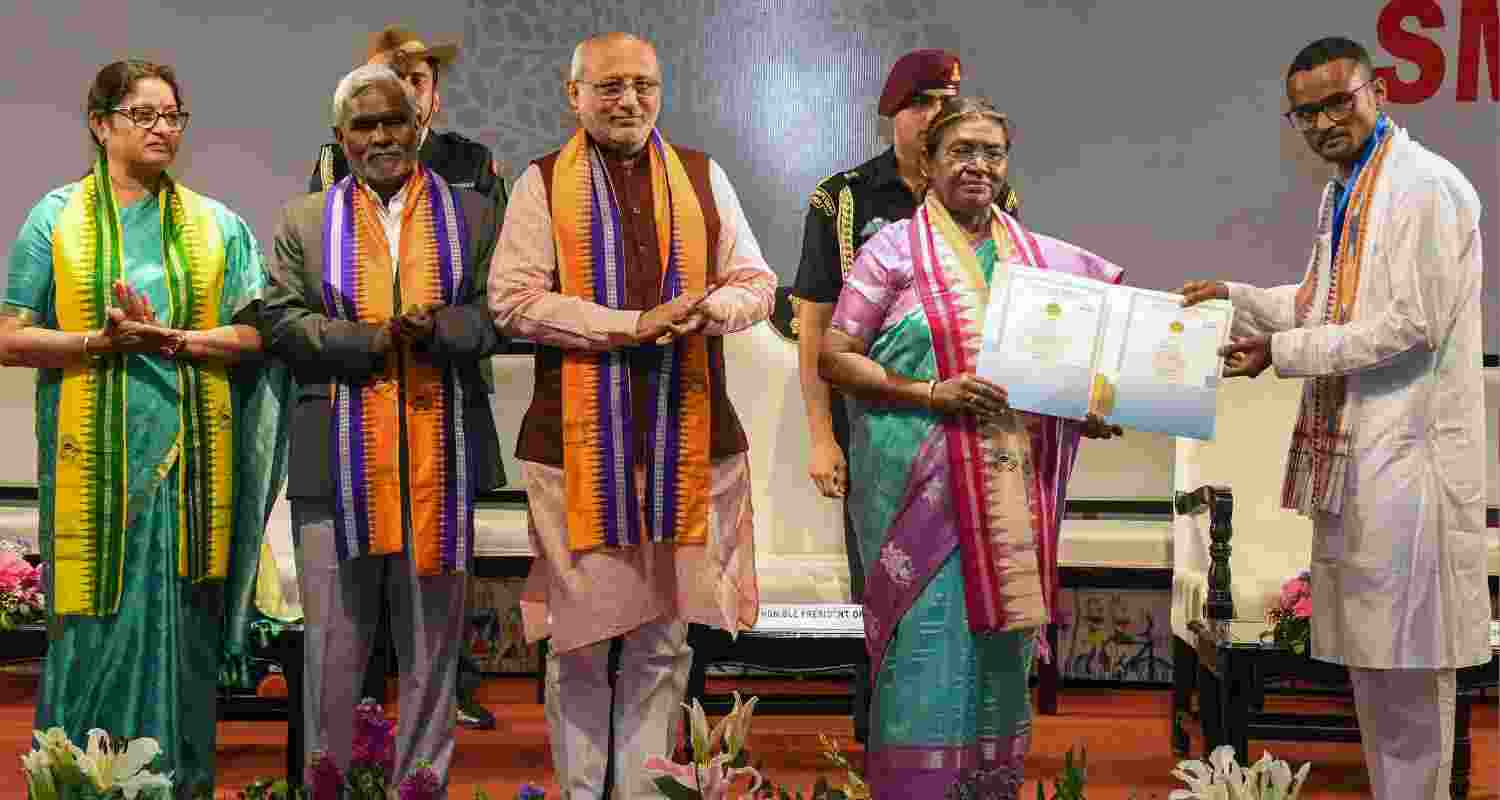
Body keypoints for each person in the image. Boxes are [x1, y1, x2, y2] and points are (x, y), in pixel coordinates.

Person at [1179, 36, 1488, 800]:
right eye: (1305, 112)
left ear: (1376, 90)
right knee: (1376, 669)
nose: (1322, 122)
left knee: (1412, 674)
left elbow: (1407, 323)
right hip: (1360, 459)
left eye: (1336, 102)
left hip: (1410, 460)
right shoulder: (1347, 191)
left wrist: (1279, 351)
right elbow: (1326, 306)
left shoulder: (1424, 187)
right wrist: (1237, 294)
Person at [488, 31, 773, 800]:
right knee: (580, 641)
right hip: (575, 450)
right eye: (610, 86)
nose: (629, 101)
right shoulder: (542, 182)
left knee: (662, 639)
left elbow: (757, 281)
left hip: (689, 440)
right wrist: (629, 325)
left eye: (643, 85)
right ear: (573, 94)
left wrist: (709, 308)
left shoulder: (703, 177)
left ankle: (644, 793)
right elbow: (512, 301)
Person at [820, 96, 1123, 800]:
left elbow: (1076, 372)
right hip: (916, 502)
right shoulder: (890, 251)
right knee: (924, 656)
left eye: (992, 152)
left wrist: (1094, 406)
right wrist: (932, 393)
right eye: (961, 151)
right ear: (926, 164)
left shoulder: (1043, 266)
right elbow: (835, 356)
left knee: (996, 663)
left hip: (1009, 503)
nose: (978, 166)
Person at [0, 60, 288, 798]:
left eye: (173, 116)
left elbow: (259, 338)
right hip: (93, 479)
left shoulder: (219, 226)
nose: (162, 128)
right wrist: (95, 343)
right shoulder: (56, 219)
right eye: (143, 114)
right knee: (92, 634)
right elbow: (8, 336)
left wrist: (174, 341)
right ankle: (77, 785)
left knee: (179, 636)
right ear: (100, 125)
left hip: (190, 477)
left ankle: (178, 785)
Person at [258, 63, 505, 795]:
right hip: (333, 458)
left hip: (443, 452)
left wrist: (442, 328)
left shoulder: (473, 215)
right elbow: (278, 318)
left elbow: (502, 312)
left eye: (394, 120)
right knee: (333, 647)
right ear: (340, 137)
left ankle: (420, 783)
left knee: (433, 644)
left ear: (419, 127)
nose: (381, 137)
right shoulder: (303, 218)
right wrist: (366, 341)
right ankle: (329, 784)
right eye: (363, 125)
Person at [791, 48, 1020, 742]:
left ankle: (970, 750)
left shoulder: (990, 195)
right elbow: (815, 328)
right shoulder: (845, 199)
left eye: (945, 102)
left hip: (980, 437)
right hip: (883, 436)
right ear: (891, 113)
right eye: (919, 103)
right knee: (890, 592)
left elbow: (1019, 311)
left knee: (976, 597)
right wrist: (822, 436)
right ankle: (886, 753)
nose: (933, 118)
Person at [307, 22, 509, 733]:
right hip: (353, 418)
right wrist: (365, 335)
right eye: (373, 111)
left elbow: (498, 297)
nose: (390, 124)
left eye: (414, 87)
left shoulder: (475, 172)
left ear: (431, 98)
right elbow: (308, 292)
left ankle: (443, 707)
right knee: (351, 620)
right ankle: (355, 732)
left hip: (443, 409)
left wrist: (445, 325)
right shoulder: (330, 177)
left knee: (437, 601)